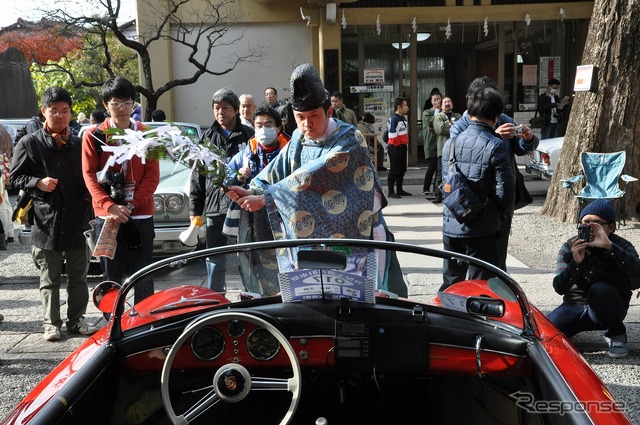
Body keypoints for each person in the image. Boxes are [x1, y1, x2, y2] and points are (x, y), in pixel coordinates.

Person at [226, 63, 406, 296]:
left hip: (358, 235)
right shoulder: (299, 138)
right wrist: (252, 189)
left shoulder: (350, 139)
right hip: (313, 240)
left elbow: (315, 172)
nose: (306, 124)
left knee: (362, 306)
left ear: (328, 112)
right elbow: (275, 170)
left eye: (313, 116)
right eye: (300, 117)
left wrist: (267, 198)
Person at [10, 87, 96, 341]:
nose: (59, 115)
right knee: (49, 277)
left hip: (77, 220)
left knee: (79, 277)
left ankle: (77, 320)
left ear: (71, 113)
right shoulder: (29, 142)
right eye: (54, 110)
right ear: (43, 111)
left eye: (65, 111)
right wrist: (38, 182)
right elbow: (16, 177)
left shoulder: (80, 143)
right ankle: (51, 323)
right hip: (46, 221)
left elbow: (92, 177)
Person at [82, 76, 160, 304]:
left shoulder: (147, 134)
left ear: (134, 104)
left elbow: (152, 176)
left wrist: (131, 204)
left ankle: (144, 324)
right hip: (107, 216)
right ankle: (112, 327)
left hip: (141, 212)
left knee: (144, 275)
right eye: (116, 102)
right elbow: (89, 176)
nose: (122, 108)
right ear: (106, 105)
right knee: (111, 277)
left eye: (127, 102)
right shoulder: (93, 136)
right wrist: (110, 206)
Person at [451, 76, 538, 272]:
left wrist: (528, 139)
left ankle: (498, 291)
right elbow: (460, 158)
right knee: (465, 260)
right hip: (468, 198)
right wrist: (494, 135)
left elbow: (520, 148)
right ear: (470, 99)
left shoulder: (504, 118)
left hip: (499, 199)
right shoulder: (460, 126)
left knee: (497, 257)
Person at [439, 87, 514, 290]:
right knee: (480, 287)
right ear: (497, 117)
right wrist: (500, 214)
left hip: (452, 222)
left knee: (451, 283)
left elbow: (445, 182)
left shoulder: (451, 143)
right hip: (482, 228)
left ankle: (444, 318)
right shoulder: (496, 145)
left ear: (469, 112)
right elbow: (505, 194)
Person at [547, 200, 640, 359]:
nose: (590, 228)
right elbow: (559, 288)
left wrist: (610, 248)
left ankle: (617, 333)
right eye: (585, 223)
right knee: (542, 334)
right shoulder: (571, 246)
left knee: (599, 289)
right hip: (574, 306)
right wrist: (576, 262)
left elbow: (637, 277)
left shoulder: (621, 246)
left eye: (596, 224)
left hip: (609, 307)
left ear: (611, 227)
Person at [190, 88, 254, 292]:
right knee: (215, 258)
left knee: (249, 255)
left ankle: (252, 296)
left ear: (236, 110)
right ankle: (216, 299)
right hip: (215, 207)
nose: (220, 112)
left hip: (244, 205)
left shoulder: (250, 136)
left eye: (225, 108)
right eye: (216, 108)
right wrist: (195, 212)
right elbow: (197, 178)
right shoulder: (206, 139)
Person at [223, 105, 290, 295]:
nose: (263, 129)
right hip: (253, 219)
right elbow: (224, 179)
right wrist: (238, 177)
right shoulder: (246, 152)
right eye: (258, 125)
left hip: (283, 217)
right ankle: (256, 298)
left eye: (268, 124)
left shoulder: (290, 151)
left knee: (284, 260)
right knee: (252, 262)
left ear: (279, 127)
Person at [431, 96, 461, 204]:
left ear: (452, 104)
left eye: (449, 101)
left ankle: (454, 194)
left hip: (456, 148)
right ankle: (438, 195)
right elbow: (440, 129)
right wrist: (453, 125)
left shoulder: (457, 115)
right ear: (441, 105)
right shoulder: (438, 116)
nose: (447, 103)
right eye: (445, 102)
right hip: (443, 149)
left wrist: (449, 125)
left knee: (455, 172)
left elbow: (461, 128)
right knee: (440, 173)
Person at [386, 97, 411, 199]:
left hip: (402, 146)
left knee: (402, 169)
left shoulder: (403, 118)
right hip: (395, 147)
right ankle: (391, 191)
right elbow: (392, 135)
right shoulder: (394, 119)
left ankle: (399, 189)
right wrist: (398, 145)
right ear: (399, 107)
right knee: (394, 170)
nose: (407, 108)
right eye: (405, 105)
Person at [421, 91, 442, 198]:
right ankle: (426, 187)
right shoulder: (427, 112)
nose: (437, 102)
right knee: (432, 166)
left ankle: (436, 188)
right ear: (431, 101)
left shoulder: (444, 112)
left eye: (439, 99)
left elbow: (444, 126)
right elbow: (431, 123)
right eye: (435, 100)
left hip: (441, 144)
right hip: (431, 144)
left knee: (440, 168)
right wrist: (437, 111)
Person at [0, 124, 13, 245]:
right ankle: (9, 233)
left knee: (1, 206)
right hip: (5, 168)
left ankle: (3, 235)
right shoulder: (4, 129)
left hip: (1, 169)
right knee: (6, 203)